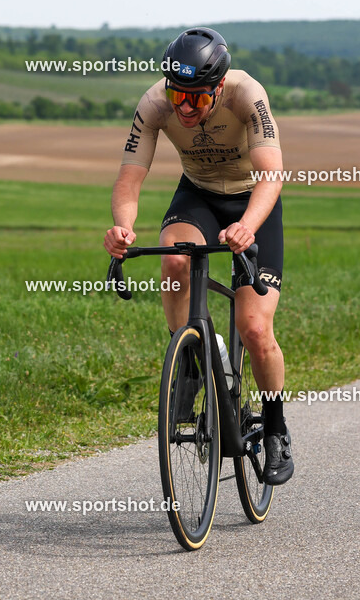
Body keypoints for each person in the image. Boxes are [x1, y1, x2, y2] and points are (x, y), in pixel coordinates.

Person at [103, 27, 292, 484]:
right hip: (199, 195)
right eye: (178, 94)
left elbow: (272, 173)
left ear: (219, 87)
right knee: (173, 260)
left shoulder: (247, 95)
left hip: (252, 200)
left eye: (198, 99)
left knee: (254, 328)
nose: (184, 108)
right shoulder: (155, 103)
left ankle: (275, 427)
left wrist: (247, 225)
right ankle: (187, 359)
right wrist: (123, 228)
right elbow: (130, 179)